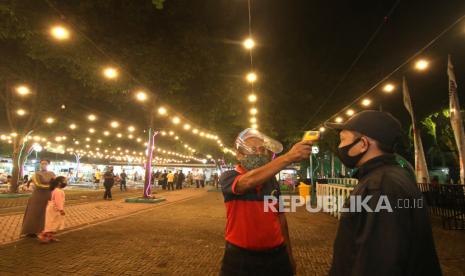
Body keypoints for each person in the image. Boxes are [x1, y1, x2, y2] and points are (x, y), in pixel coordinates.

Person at [325, 110, 442, 276]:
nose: (339, 147)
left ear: (363, 144)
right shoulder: (392, 177)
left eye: (343, 140)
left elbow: (378, 263)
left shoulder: (380, 186)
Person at [219, 128, 312, 276]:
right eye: (253, 149)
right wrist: (288, 157)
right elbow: (247, 182)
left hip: (277, 255)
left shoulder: (271, 181)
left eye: (262, 150)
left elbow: (280, 217)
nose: (259, 153)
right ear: (239, 154)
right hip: (240, 257)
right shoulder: (229, 176)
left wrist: (289, 255)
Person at [21, 159, 56, 237]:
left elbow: (55, 183)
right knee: (34, 212)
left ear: (48, 164)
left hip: (48, 195)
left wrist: (55, 186)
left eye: (45, 163)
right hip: (37, 195)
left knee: (46, 213)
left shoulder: (52, 173)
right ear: (40, 164)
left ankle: (45, 229)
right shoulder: (36, 174)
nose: (44, 165)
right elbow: (38, 185)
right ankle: (31, 231)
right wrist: (50, 186)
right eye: (42, 163)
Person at [38, 176, 67, 243]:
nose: (65, 183)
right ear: (59, 183)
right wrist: (61, 210)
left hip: (53, 209)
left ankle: (50, 237)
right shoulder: (58, 191)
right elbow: (58, 201)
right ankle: (42, 235)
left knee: (53, 223)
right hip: (54, 209)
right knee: (52, 223)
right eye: (64, 181)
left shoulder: (57, 190)